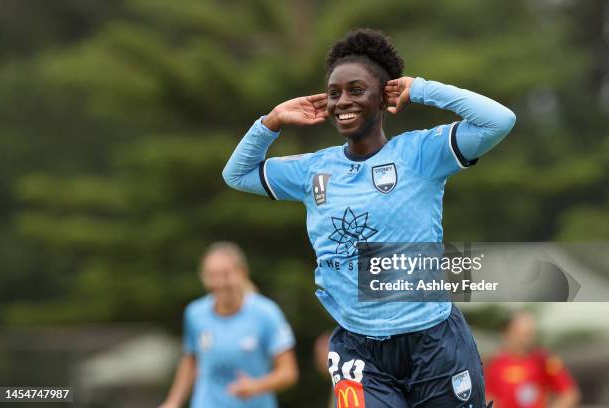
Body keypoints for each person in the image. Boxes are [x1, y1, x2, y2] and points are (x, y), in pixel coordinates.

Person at [223, 28, 516, 407]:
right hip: (358, 349)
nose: (342, 101)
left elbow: (499, 120)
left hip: (435, 342)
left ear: (383, 97)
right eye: (334, 93)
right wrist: (272, 121)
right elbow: (238, 174)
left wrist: (422, 88)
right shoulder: (313, 169)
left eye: (356, 90)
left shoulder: (422, 153)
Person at [159, 242, 298, 408]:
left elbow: (288, 373)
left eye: (225, 274)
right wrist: (173, 402)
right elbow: (190, 361)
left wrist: (256, 386)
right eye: (211, 275)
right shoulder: (195, 314)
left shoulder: (266, 313)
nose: (219, 283)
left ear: (242, 273)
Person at [485, 311, 580, 408]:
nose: (524, 339)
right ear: (507, 333)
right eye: (520, 333)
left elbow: (569, 394)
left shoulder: (545, 360)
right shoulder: (494, 363)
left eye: (529, 333)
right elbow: (488, 396)